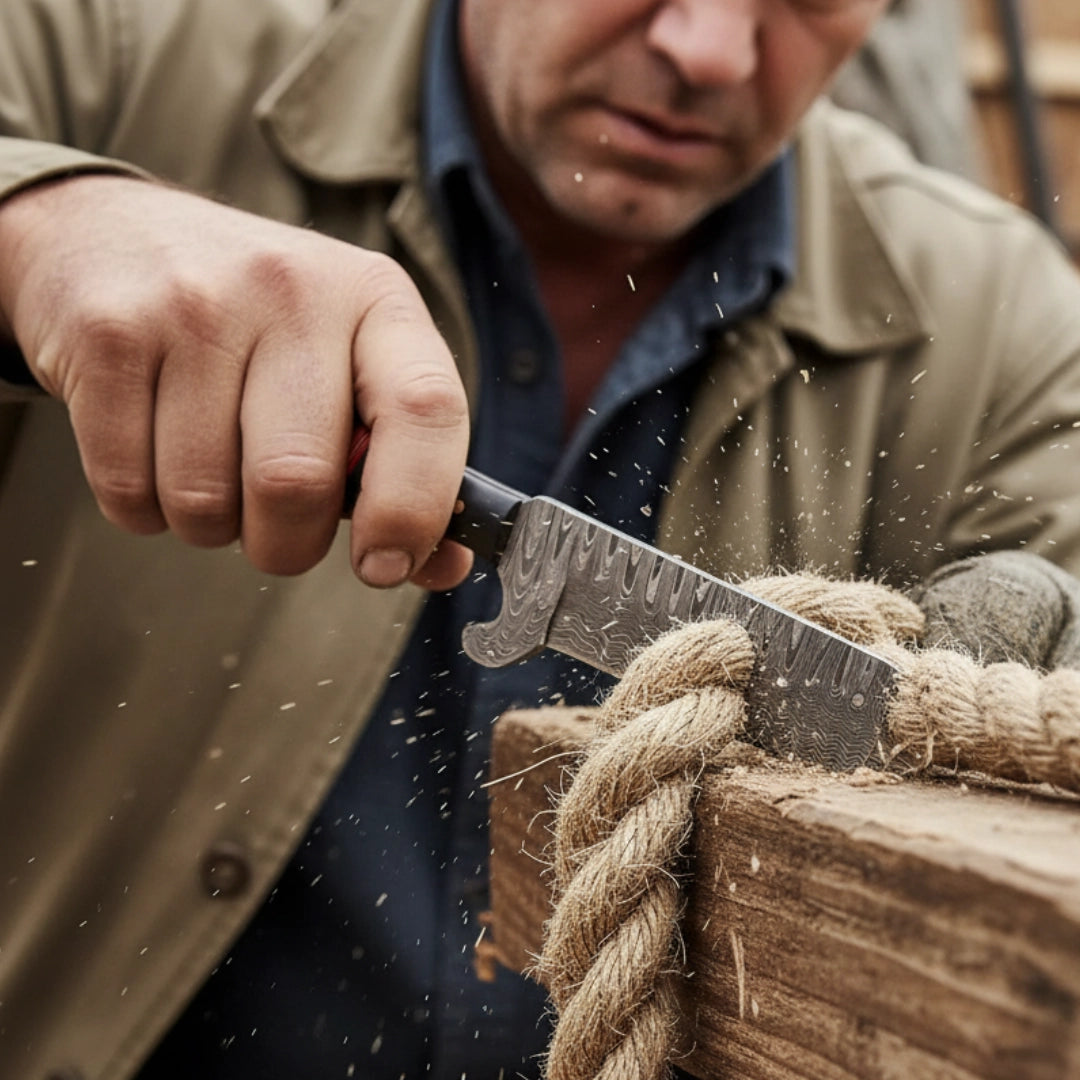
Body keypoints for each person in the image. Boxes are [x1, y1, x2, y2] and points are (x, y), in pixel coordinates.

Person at [1, 1, 1079, 1079]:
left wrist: (1037, 624)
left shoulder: (1001, 320)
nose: (708, 50)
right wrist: (46, 225)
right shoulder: (117, 51)